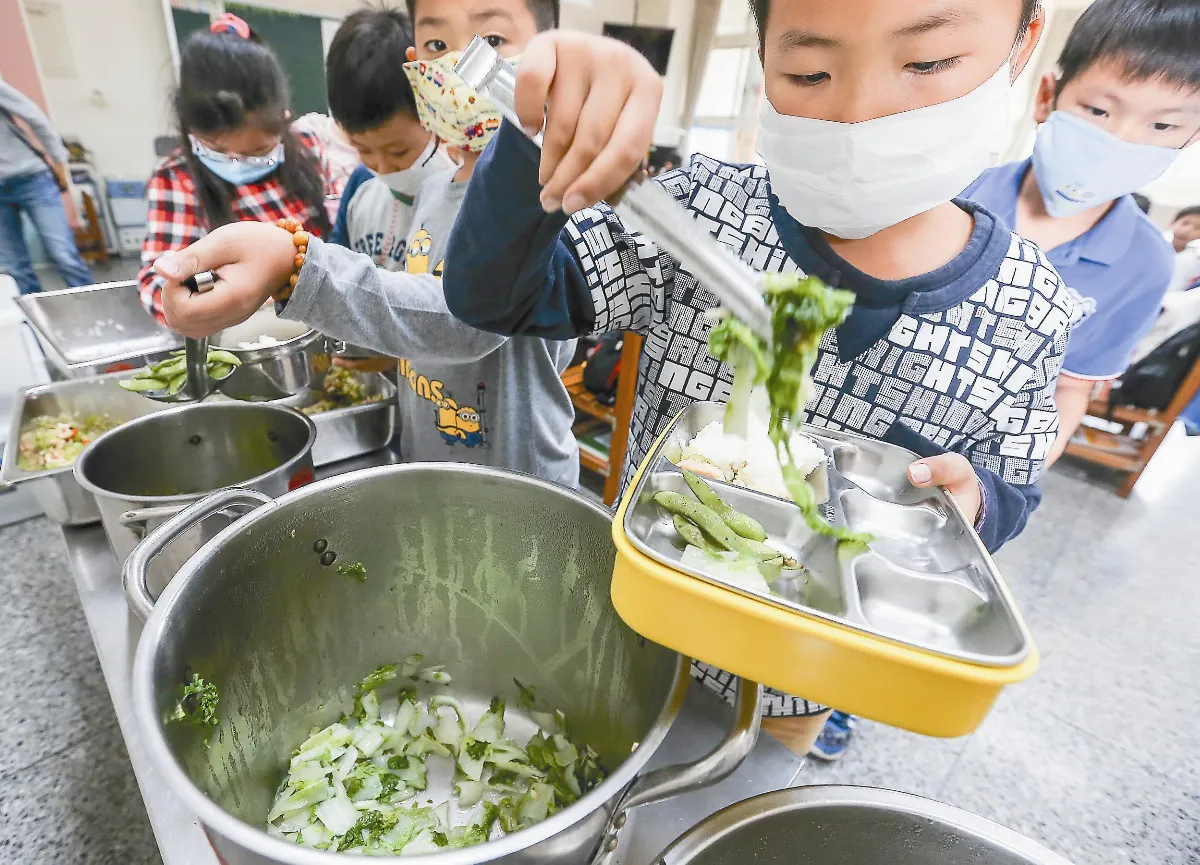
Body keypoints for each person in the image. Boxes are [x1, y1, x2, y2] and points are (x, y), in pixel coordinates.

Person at [439, 0, 1070, 755]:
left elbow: (1011, 484)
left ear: (1022, 44)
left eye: (927, 63)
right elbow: (491, 295)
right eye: (809, 71)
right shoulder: (700, 206)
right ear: (761, 58)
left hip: (799, 683)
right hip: (639, 621)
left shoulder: (1031, 311)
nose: (858, 116)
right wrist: (538, 132)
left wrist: (979, 502)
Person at [148, 0, 581, 490]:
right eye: (439, 45)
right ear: (419, 68)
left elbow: (471, 321)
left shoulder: (544, 190)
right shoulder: (434, 191)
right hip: (432, 460)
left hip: (520, 477)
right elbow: (412, 311)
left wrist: (297, 267)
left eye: (493, 42)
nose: (463, 65)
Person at [965, 0, 1200, 468]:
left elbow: (1071, 386)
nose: (1122, 140)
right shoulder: (955, 190)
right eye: (1098, 110)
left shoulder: (1145, 264)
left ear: (1189, 138)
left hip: (976, 461)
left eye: (1162, 124)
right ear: (1047, 96)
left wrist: (1011, 481)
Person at [138, 13, 332, 322]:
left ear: (282, 119)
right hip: (245, 333)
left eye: (257, 151)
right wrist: (206, 296)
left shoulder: (308, 148)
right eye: (216, 149)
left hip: (323, 318)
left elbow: (338, 236)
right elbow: (155, 283)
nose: (236, 162)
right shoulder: (177, 178)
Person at [0, 80, 92, 295]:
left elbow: (34, 116)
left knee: (63, 254)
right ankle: (33, 322)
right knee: (15, 267)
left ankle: (93, 306)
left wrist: (59, 160)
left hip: (31, 178)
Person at [1167, 205, 1200, 294]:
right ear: (1172, 223)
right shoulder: (1155, 250)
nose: (1187, 230)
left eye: (1197, 228)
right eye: (1185, 223)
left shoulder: (1193, 261)